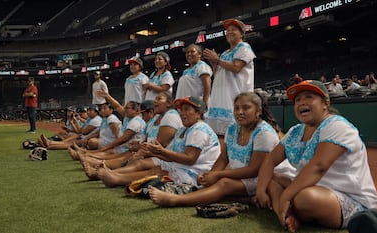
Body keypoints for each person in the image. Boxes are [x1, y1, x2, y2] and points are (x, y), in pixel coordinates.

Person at [256, 80, 377, 232]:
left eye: (309, 97)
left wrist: (286, 196)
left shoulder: (336, 125)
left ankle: (287, 207)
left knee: (304, 198)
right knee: (270, 178)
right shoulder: (296, 130)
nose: (301, 102)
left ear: (325, 103)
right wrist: (261, 190)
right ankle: (287, 215)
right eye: (297, 100)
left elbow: (318, 167)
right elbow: (270, 160)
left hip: (347, 198)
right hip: (309, 187)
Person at [148, 92, 294, 206]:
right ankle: (247, 199)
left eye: (246, 108)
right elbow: (224, 158)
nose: (240, 112)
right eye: (236, 108)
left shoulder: (264, 133)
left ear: (258, 111)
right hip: (245, 176)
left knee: (224, 183)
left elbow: (254, 170)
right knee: (214, 182)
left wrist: (218, 175)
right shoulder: (232, 128)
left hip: (266, 178)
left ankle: (175, 200)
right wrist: (210, 174)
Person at [95, 96, 220, 189]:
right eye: (181, 110)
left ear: (198, 113)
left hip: (198, 173)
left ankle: (115, 178)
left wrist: (161, 151)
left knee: (159, 172)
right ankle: (114, 175)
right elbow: (174, 155)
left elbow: (190, 159)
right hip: (185, 166)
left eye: (187, 109)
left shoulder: (199, 129)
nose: (182, 113)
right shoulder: (184, 128)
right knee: (156, 169)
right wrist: (156, 152)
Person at [203, 18, 255, 146]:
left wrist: (218, 60)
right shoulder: (225, 53)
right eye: (228, 30)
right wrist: (213, 62)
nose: (230, 32)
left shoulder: (244, 47)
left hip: (235, 97)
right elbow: (218, 73)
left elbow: (236, 67)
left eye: (234, 30)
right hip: (220, 98)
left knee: (234, 137)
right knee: (219, 137)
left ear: (242, 33)